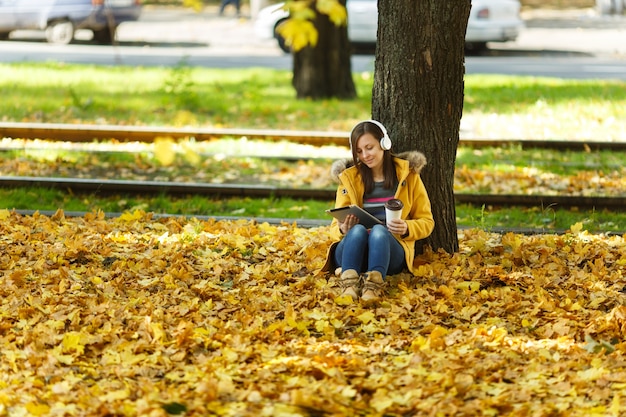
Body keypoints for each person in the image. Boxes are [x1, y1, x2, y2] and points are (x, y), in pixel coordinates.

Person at [320, 120, 434, 303]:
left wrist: (406, 227)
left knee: (380, 231)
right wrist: (342, 229)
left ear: (384, 144)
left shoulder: (408, 176)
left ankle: (372, 286)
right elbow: (334, 227)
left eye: (369, 147)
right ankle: (349, 284)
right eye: (359, 151)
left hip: (388, 254)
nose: (365, 155)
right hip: (351, 251)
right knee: (357, 231)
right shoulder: (350, 178)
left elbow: (427, 222)